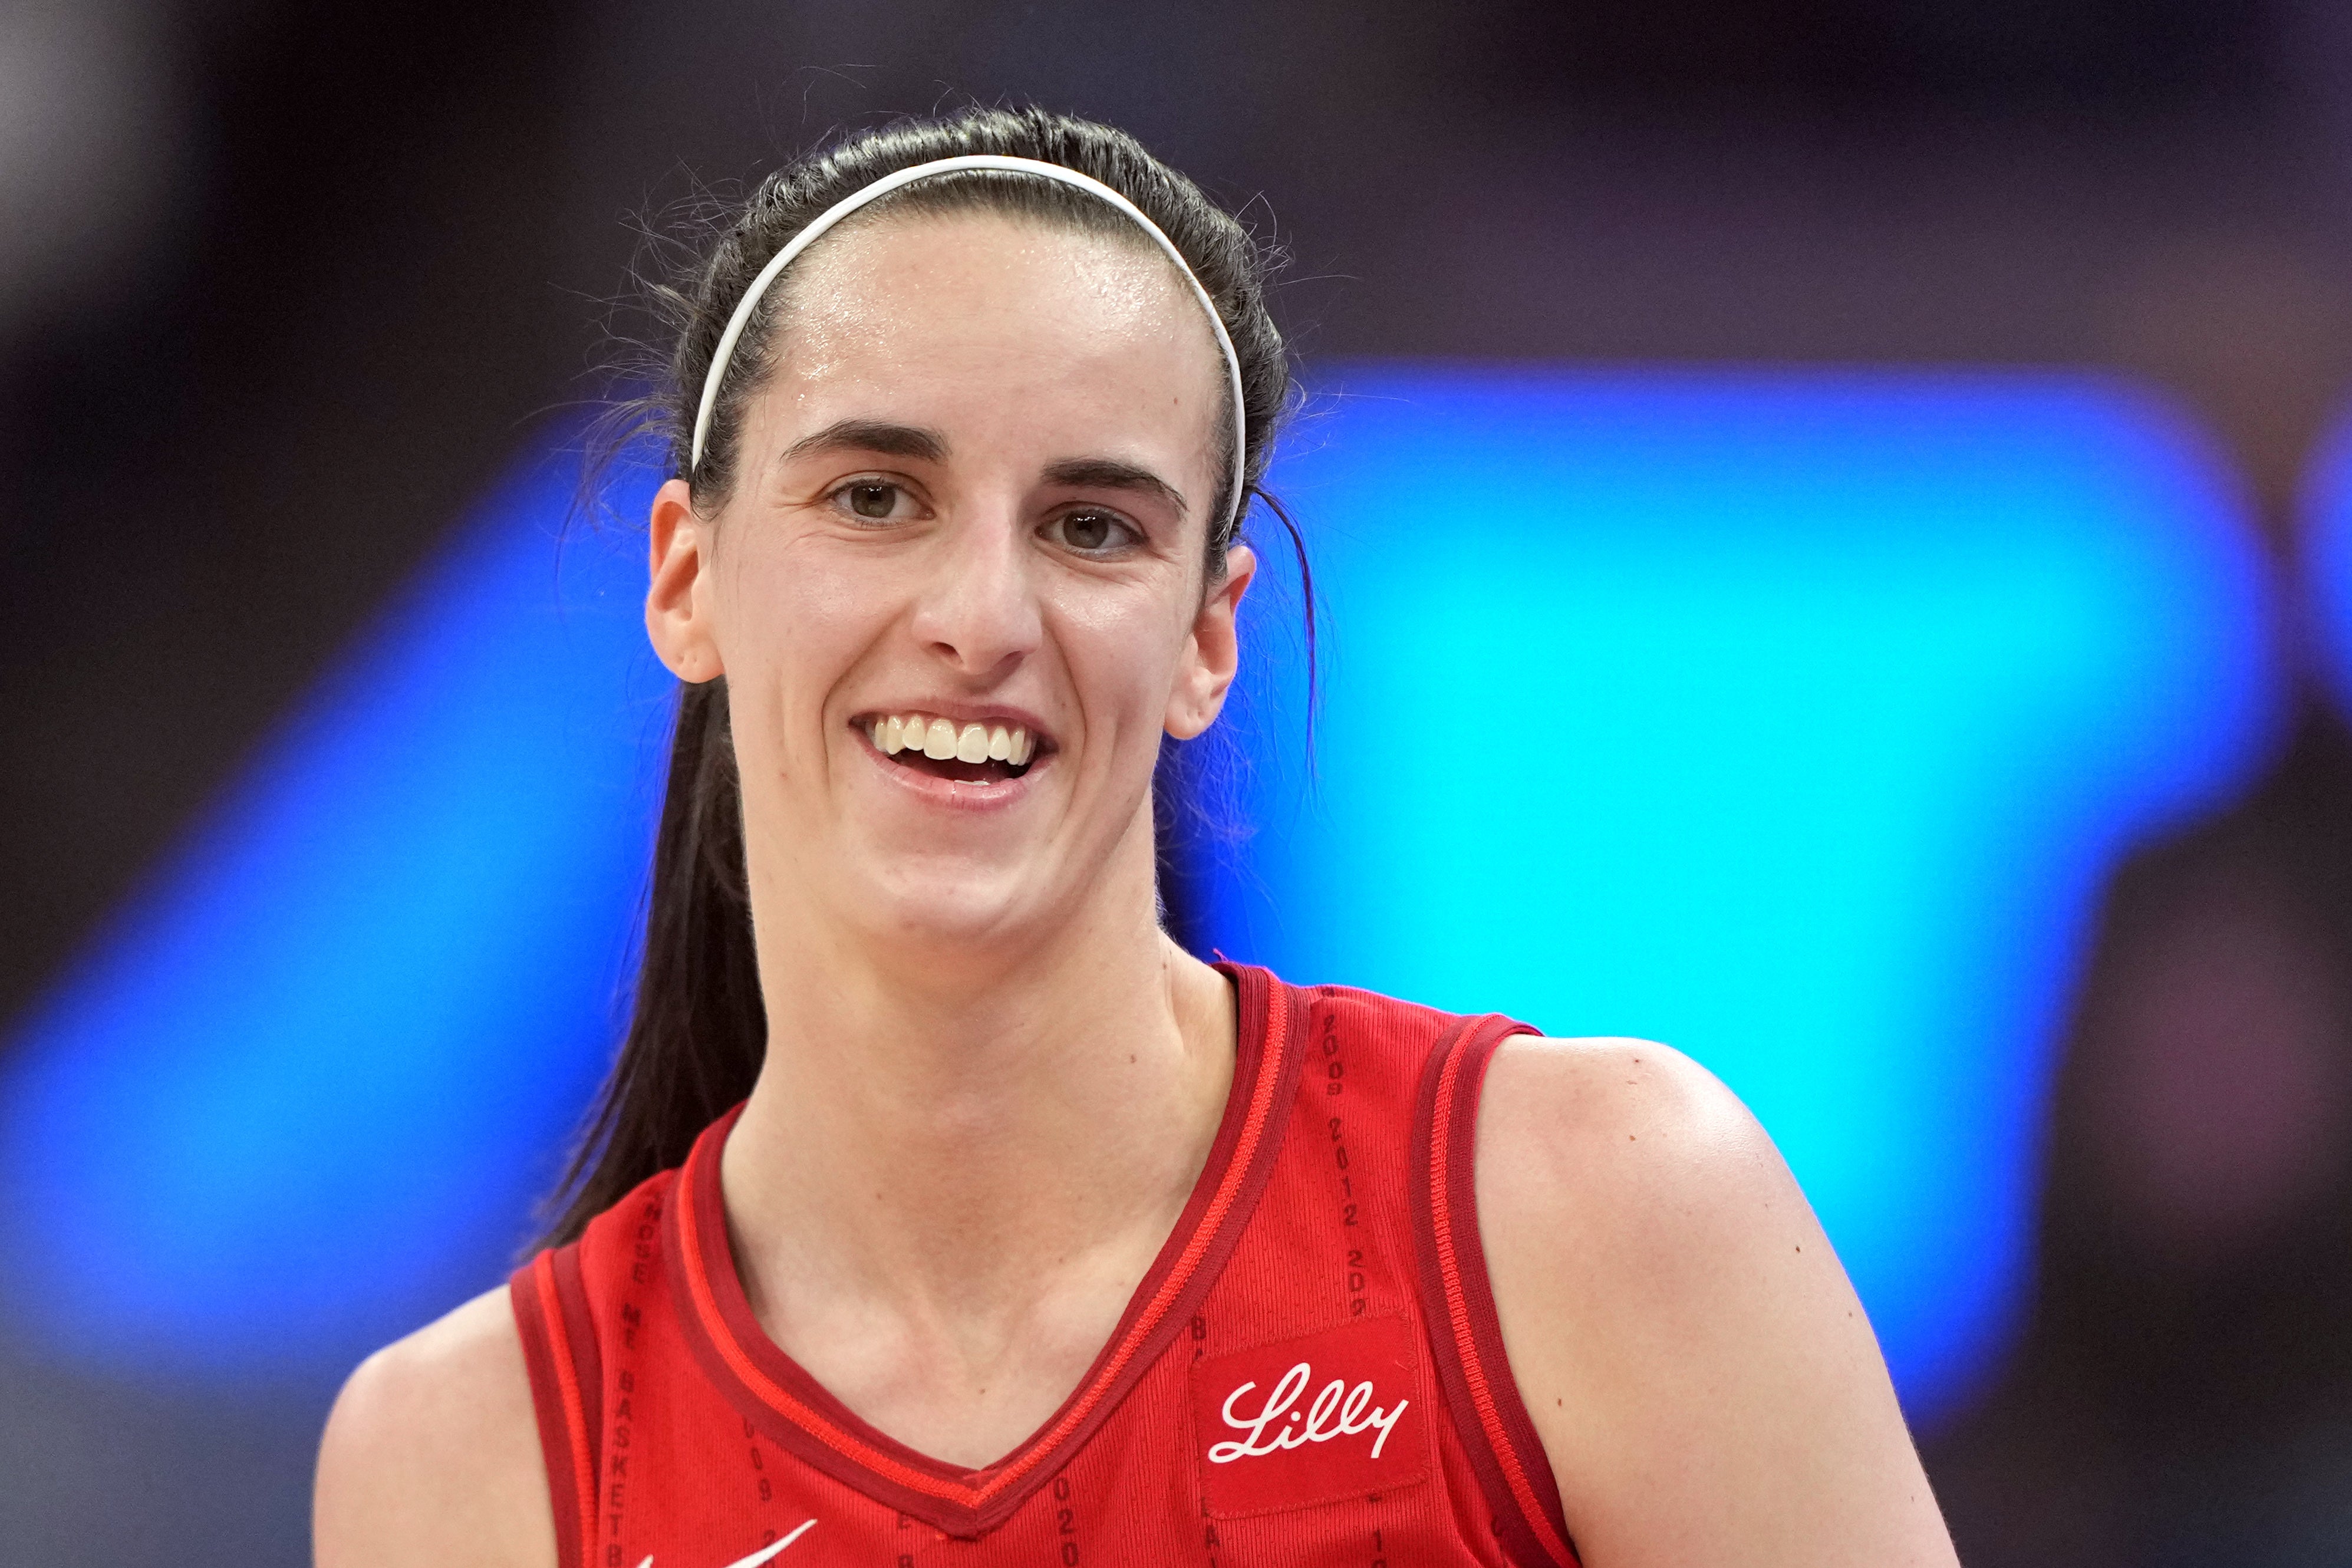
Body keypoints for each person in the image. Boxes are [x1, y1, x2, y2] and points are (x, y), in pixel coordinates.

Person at [313, 106, 1959, 1567]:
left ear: (1204, 640)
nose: (978, 616)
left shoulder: (1589, 1211)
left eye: (1092, 527)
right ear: (685, 575)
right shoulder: (472, 1460)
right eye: (876, 495)